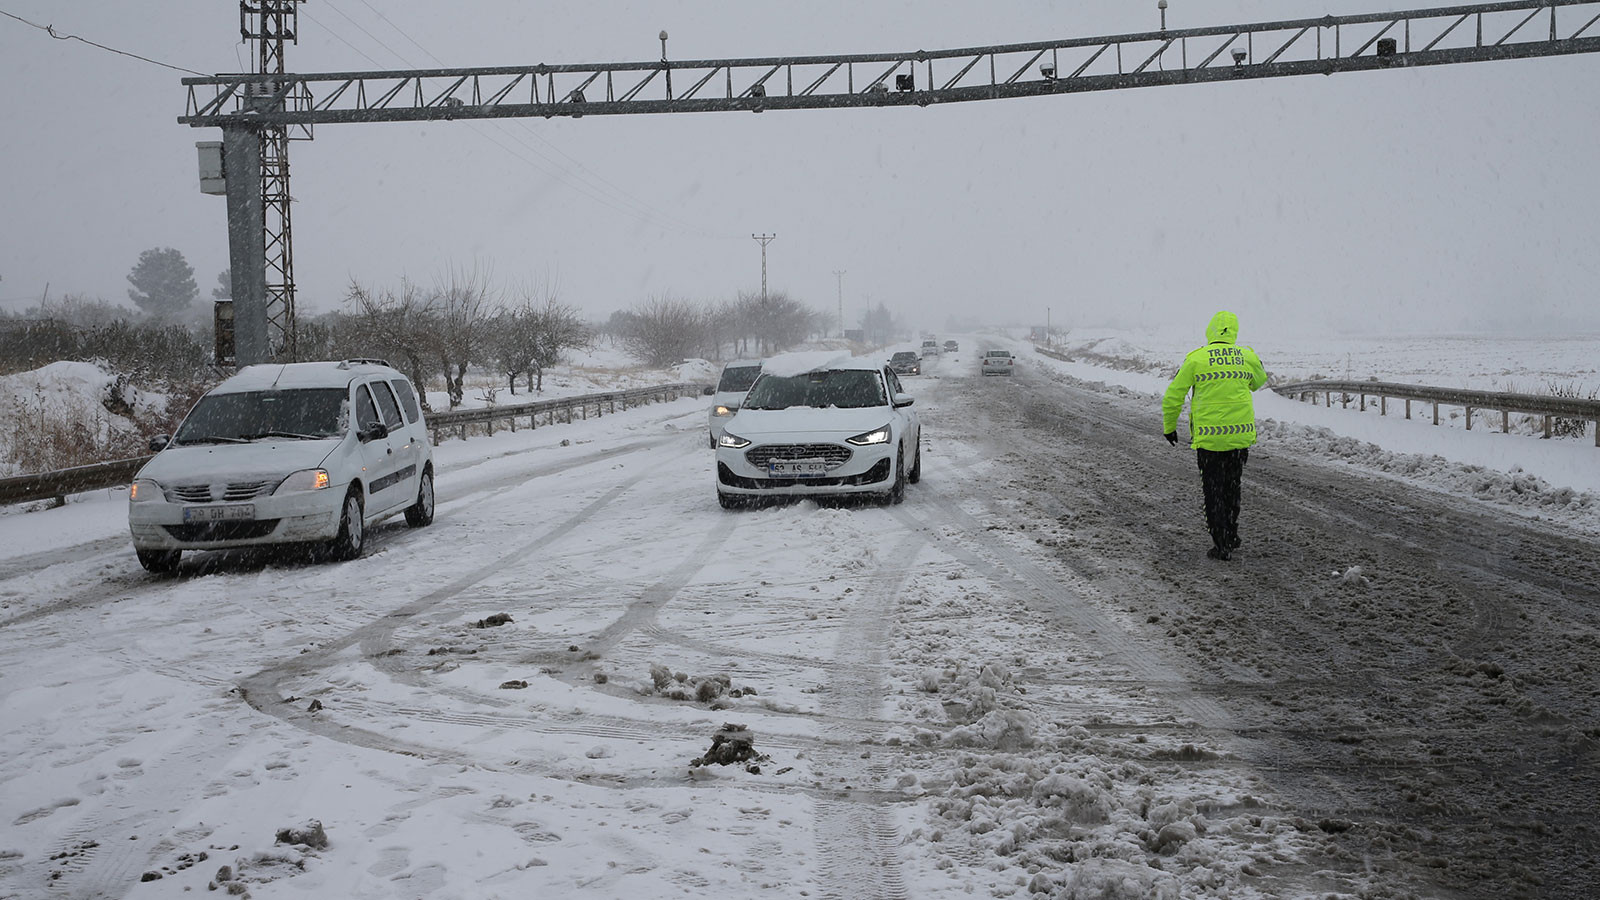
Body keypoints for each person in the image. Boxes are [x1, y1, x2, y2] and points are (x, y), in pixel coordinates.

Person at [1161, 310, 1269, 561]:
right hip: (1238, 438)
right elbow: (1259, 381)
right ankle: (1231, 534)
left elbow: (1173, 396)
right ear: (1234, 332)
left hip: (1209, 440)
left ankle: (1221, 543)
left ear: (1209, 331)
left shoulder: (1196, 359)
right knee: (1232, 487)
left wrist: (1169, 427)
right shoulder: (1246, 356)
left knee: (1213, 491)